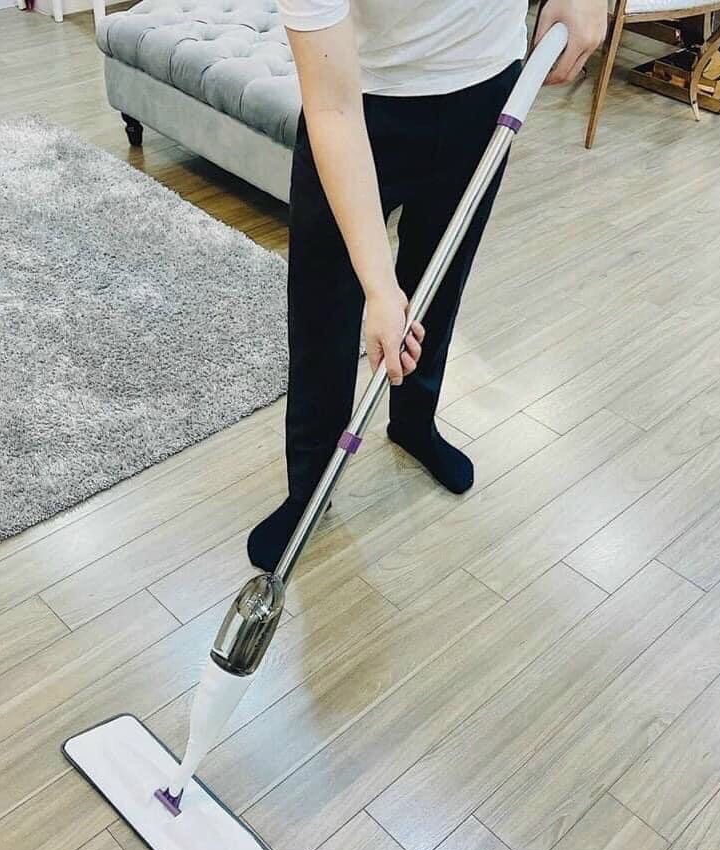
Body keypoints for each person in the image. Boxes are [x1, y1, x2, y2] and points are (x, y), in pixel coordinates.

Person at [248, 0, 607, 572]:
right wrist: (380, 289)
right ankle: (310, 486)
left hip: (487, 89)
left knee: (440, 283)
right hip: (361, 100)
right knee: (323, 310)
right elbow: (332, 109)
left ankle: (415, 422)